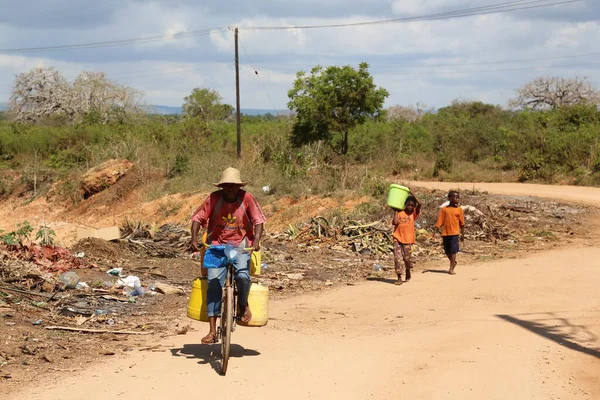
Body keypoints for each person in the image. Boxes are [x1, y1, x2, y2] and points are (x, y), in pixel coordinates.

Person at [190, 167, 266, 344]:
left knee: (243, 276)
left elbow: (258, 220)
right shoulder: (213, 199)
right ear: (221, 187)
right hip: (216, 245)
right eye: (227, 186)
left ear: (239, 186)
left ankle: (242, 305)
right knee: (214, 281)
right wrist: (193, 238)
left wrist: (255, 241)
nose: (230, 189)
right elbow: (197, 218)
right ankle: (212, 331)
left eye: (234, 186)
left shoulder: (247, 198)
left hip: (239, 245)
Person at [392, 193, 421, 285]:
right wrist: (396, 211)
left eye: (412, 205)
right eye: (408, 205)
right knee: (398, 258)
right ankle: (399, 277)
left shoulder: (414, 214)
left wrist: (411, 192)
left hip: (408, 240)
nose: (410, 207)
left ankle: (408, 269)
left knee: (407, 259)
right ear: (405, 204)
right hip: (397, 238)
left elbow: (420, 204)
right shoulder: (400, 213)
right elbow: (395, 222)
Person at [435, 190, 465, 275]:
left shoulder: (459, 210)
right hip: (446, 233)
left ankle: (451, 268)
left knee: (453, 251)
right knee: (447, 250)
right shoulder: (444, 209)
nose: (458, 199)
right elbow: (440, 220)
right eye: (456, 197)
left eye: (458, 197)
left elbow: (462, 223)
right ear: (450, 198)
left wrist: (462, 234)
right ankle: (453, 262)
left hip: (455, 233)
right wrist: (437, 228)